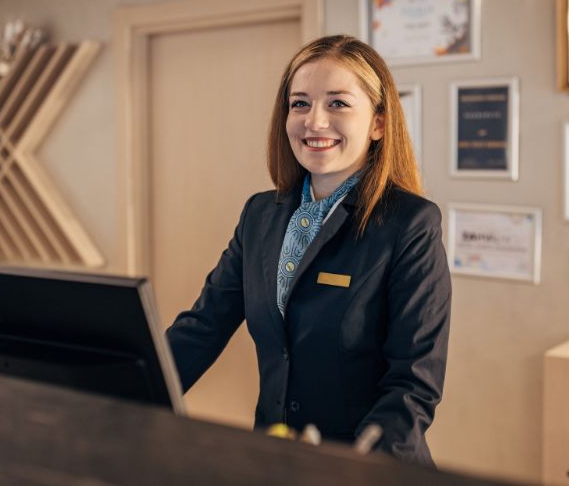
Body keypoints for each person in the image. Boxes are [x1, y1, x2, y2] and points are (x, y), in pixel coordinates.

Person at [166, 34, 451, 467]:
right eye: (300, 104)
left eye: (337, 103)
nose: (314, 122)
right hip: (276, 458)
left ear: (378, 123)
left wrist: (357, 468)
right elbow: (202, 327)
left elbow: (412, 385)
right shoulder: (260, 214)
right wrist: (123, 395)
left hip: (368, 468)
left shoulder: (409, 224)